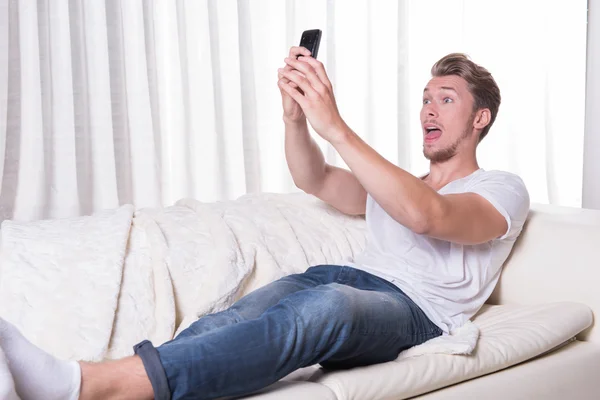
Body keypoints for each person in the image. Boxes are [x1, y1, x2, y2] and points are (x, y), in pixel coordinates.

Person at [0, 48, 529, 400]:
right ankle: (90, 376)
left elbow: (428, 216)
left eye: (446, 99)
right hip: (340, 275)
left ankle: (93, 386)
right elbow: (315, 177)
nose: (428, 111)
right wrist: (296, 118)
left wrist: (337, 126)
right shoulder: (399, 183)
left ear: (480, 118)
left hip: (415, 310)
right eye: (425, 99)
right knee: (237, 314)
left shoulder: (500, 187)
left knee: (327, 309)